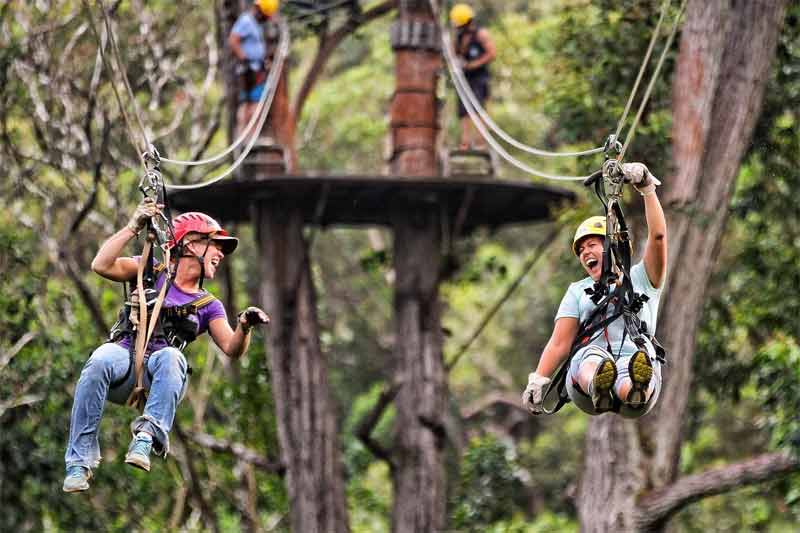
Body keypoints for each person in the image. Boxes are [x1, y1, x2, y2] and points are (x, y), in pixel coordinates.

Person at [63, 198, 269, 493]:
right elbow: (101, 265)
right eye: (216, 246)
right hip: (124, 359)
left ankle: (147, 436)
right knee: (98, 360)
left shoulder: (209, 306)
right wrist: (134, 226)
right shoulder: (149, 270)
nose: (221, 255)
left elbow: (232, 348)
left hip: (158, 377)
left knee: (172, 357)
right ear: (191, 245)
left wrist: (245, 326)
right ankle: (78, 463)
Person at [522, 163, 667, 418]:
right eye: (581, 250)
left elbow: (658, 237)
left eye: (592, 244)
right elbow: (559, 343)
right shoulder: (578, 291)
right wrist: (539, 378)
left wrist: (646, 188)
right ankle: (599, 385)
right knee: (590, 355)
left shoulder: (643, 278)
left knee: (636, 361)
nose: (585, 253)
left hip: (634, 360)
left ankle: (634, 388)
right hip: (585, 380)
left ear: (613, 244)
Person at [228, 0, 280, 137]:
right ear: (258, 10)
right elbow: (233, 40)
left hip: (257, 70)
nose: (265, 18)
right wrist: (244, 59)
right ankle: (243, 137)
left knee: (256, 104)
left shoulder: (257, 25)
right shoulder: (246, 21)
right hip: (247, 70)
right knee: (245, 104)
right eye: (265, 15)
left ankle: (251, 138)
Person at [450, 3, 496, 150]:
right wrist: (456, 61)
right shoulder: (458, 37)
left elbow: (492, 53)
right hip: (465, 79)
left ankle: (481, 142)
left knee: (478, 109)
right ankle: (465, 142)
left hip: (479, 78)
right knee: (464, 111)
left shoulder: (481, 34)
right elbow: (453, 54)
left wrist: (475, 64)